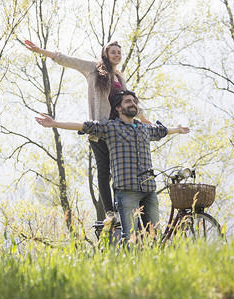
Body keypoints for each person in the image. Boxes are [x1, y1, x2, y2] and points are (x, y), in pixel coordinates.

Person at [35, 90, 190, 242]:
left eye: (134, 101)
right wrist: (55, 123)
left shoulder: (145, 128)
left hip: (149, 191)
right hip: (127, 191)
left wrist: (178, 129)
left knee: (154, 236)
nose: (133, 104)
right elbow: (83, 125)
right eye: (128, 101)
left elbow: (162, 131)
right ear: (118, 108)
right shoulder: (111, 128)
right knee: (130, 238)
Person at [25, 40, 151, 225]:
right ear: (105, 54)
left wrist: (144, 120)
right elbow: (66, 59)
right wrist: (40, 50)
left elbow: (129, 103)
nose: (116, 55)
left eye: (119, 52)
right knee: (103, 170)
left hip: (119, 130)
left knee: (121, 170)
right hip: (100, 129)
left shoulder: (120, 78)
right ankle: (110, 212)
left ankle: (123, 207)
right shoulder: (94, 69)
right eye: (113, 52)